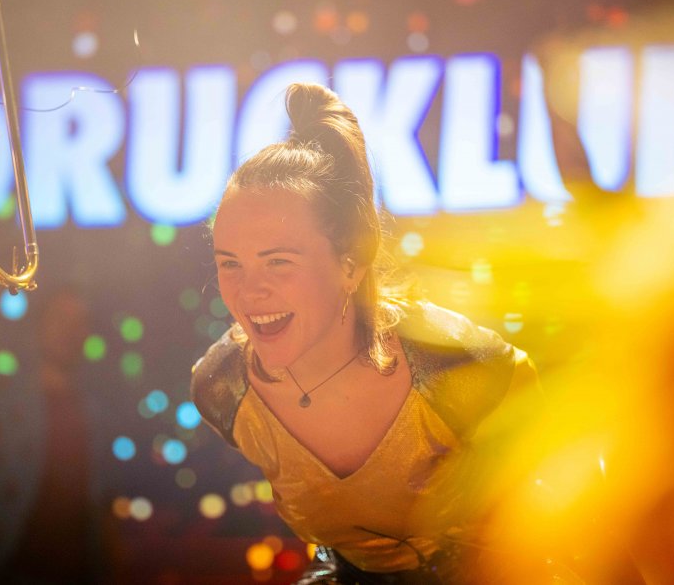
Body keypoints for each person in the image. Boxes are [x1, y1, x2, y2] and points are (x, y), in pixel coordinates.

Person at [191, 83, 545, 583]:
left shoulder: (455, 363)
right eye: (230, 263)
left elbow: (577, 505)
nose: (250, 292)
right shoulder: (223, 389)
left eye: (279, 262)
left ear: (351, 264)